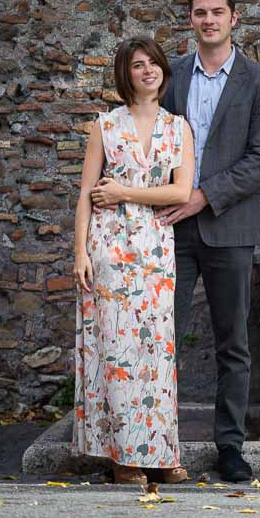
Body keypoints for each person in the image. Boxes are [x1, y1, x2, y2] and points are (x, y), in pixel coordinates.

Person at [157, 0, 260, 482]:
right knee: (159, 338)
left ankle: (230, 446)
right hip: (171, 230)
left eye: (217, 12)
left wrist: (203, 196)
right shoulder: (171, 76)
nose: (208, 20)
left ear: (234, 18)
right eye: (199, 13)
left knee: (234, 343)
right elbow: (153, 143)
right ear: (190, 20)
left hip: (230, 227)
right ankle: (156, 443)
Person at [72, 36, 195, 485]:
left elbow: (181, 191)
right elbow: (86, 194)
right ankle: (124, 456)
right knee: (117, 351)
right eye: (137, 65)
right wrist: (79, 251)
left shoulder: (178, 127)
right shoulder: (104, 127)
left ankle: (161, 454)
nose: (148, 71)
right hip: (109, 248)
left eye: (153, 63)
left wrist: (124, 191)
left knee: (156, 352)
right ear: (125, 75)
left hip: (156, 249)